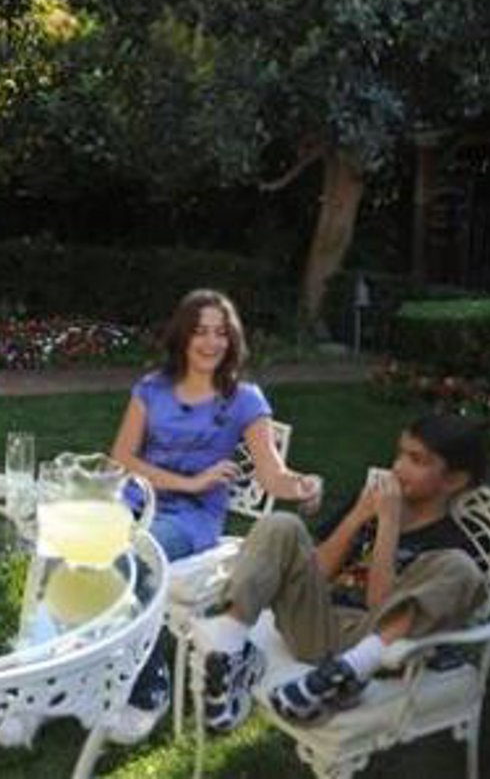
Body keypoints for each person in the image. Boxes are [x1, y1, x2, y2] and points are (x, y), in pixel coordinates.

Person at [105, 288, 322, 743]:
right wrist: (187, 480)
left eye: (221, 333)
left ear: (232, 338)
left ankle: (149, 689)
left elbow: (272, 474)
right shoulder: (151, 388)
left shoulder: (244, 398)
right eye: (200, 331)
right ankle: (48, 680)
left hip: (191, 518)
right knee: (66, 552)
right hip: (136, 499)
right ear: (183, 337)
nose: (211, 342)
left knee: (131, 558)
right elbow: (121, 458)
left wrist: (301, 484)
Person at [193, 414, 490, 731]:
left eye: (417, 460)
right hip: (316, 623)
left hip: (373, 639)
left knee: (460, 567)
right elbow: (318, 572)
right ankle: (230, 647)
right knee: (281, 524)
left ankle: (346, 674)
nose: (398, 467)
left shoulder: (450, 544)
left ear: (453, 481)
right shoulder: (372, 502)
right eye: (400, 454)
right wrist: (358, 515)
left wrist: (388, 524)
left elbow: (381, 605)